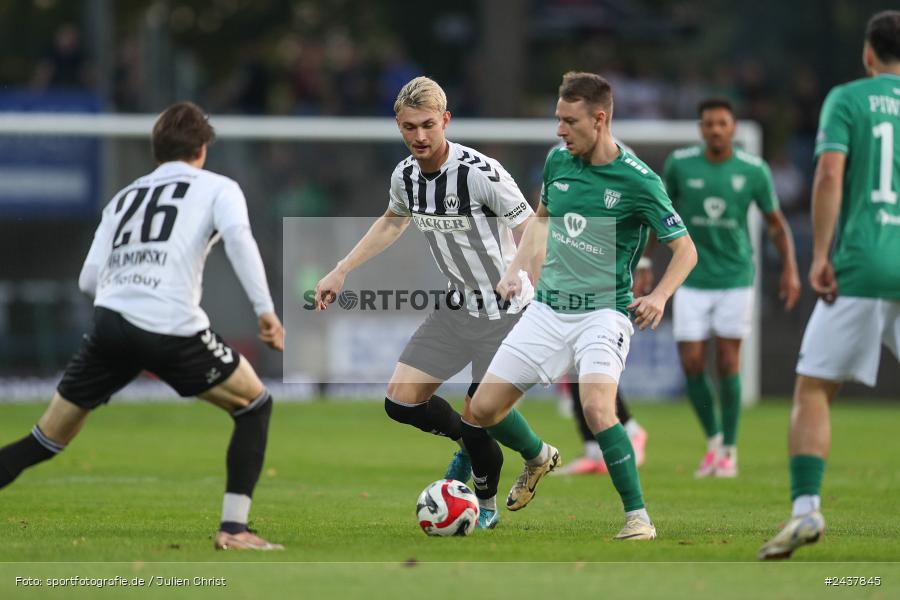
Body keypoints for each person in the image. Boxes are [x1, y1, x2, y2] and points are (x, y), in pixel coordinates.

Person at [0, 102, 285, 551]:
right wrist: (265, 310)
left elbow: (88, 279)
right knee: (254, 405)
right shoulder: (218, 187)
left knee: (45, 439)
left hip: (110, 323)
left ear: (157, 150)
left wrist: (129, 300)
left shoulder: (124, 197)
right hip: (170, 325)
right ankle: (234, 531)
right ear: (203, 147)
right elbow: (239, 240)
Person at [470, 72, 697, 540]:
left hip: (603, 313)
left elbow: (686, 250)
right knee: (482, 410)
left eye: (568, 121)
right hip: (549, 309)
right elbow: (542, 221)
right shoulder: (558, 162)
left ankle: (638, 518)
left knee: (597, 407)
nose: (559, 130)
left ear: (600, 118)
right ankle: (537, 456)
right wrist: (516, 269)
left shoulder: (638, 180)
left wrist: (658, 296)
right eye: (557, 119)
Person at [314, 76, 536, 530]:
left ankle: (486, 506)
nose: (419, 136)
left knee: (481, 414)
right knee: (401, 403)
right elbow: (393, 222)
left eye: (428, 125)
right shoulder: (405, 176)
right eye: (409, 127)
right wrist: (342, 269)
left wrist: (517, 274)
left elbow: (533, 226)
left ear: (446, 121)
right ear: (398, 125)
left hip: (505, 312)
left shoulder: (479, 172)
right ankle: (481, 444)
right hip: (456, 309)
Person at [759, 10, 900, 560]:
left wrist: (821, 254)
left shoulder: (847, 99)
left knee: (814, 388)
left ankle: (806, 510)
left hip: (861, 265)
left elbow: (829, 174)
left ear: (868, 55)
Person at [663, 98, 801, 478]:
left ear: (734, 128)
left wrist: (790, 267)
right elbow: (657, 212)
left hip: (735, 276)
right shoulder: (680, 164)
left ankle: (729, 450)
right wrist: (643, 263)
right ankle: (713, 440)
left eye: (723, 123)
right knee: (691, 362)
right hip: (690, 275)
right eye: (709, 124)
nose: (716, 130)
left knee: (727, 361)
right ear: (701, 128)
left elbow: (775, 222)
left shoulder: (754, 170)